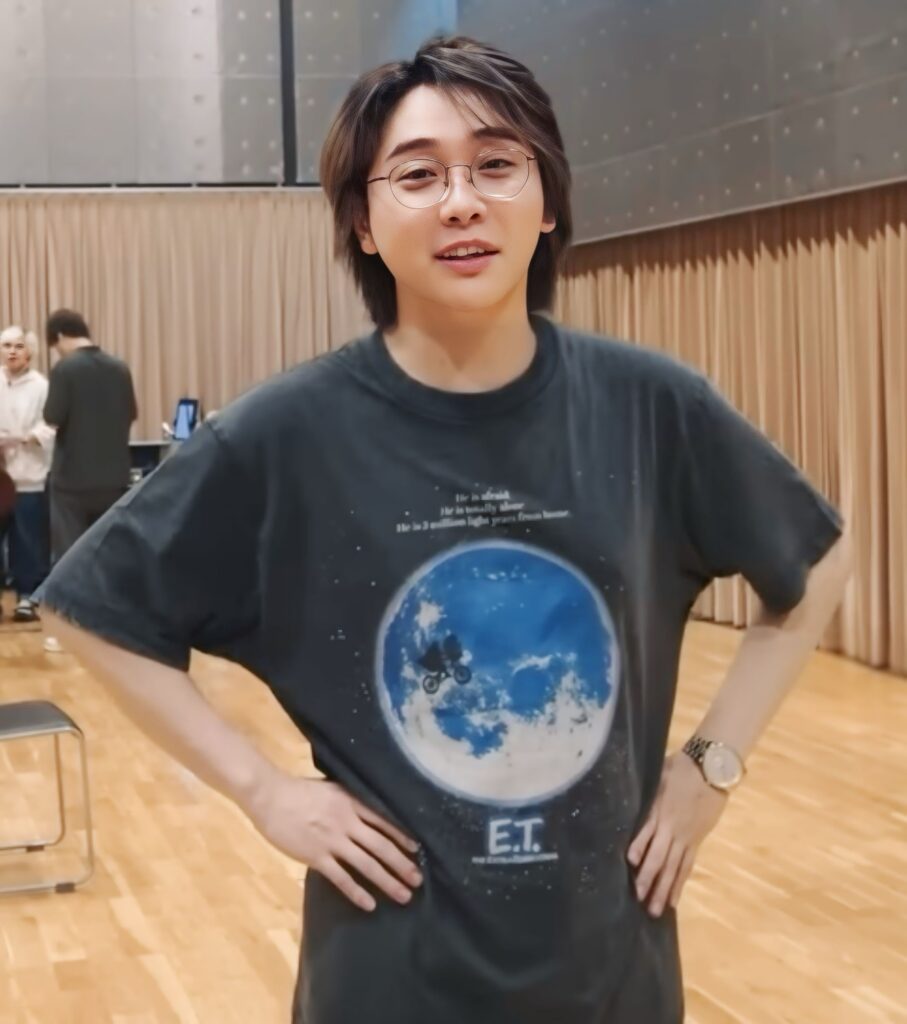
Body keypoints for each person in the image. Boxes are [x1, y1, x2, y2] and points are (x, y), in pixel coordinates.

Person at [37, 36, 853, 1024]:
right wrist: (260, 789)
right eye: (418, 175)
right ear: (363, 221)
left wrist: (710, 767)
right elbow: (92, 605)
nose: (461, 201)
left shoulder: (648, 405)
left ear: (546, 203)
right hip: (389, 970)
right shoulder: (289, 432)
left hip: (610, 964)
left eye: (496, 164)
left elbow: (815, 557)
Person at [41, 308, 137, 651]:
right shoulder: (119, 367)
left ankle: (70, 632)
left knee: (69, 557)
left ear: (59, 337)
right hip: (114, 477)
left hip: (72, 481)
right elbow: (131, 414)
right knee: (108, 555)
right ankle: (113, 630)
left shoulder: (65, 369)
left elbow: (52, 416)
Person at [0, 326, 54, 622]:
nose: (12, 351)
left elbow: (51, 425)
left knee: (27, 540)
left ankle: (27, 597)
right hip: (0, 475)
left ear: (29, 352)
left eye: (18, 346)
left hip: (29, 474)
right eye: (6, 345)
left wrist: (27, 437)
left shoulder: (42, 386)